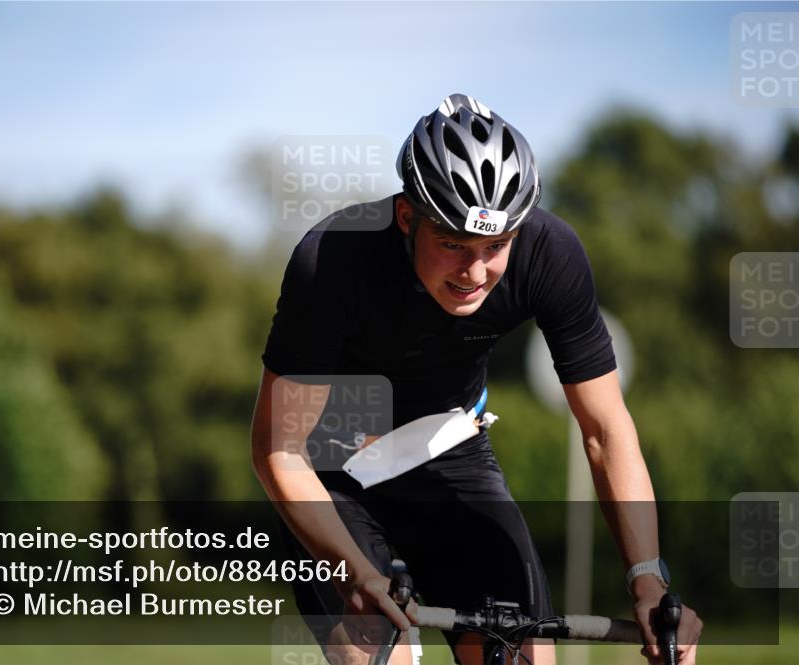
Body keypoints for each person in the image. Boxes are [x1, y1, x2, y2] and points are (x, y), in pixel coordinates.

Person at [250, 94, 702, 665]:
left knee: (518, 654)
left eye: (495, 247)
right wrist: (357, 575)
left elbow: (606, 430)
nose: (475, 272)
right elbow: (278, 450)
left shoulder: (550, 253)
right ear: (408, 217)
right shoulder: (334, 259)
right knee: (376, 652)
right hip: (329, 467)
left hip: (446, 449)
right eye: (452, 245)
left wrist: (648, 582)